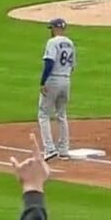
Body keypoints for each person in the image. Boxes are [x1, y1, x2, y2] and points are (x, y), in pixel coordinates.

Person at [38, 18, 76, 161]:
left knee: (43, 114)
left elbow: (49, 62)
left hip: (53, 79)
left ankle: (49, 149)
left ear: (55, 28)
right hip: (66, 80)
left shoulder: (52, 42)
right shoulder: (70, 43)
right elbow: (73, 66)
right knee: (61, 114)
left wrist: (43, 82)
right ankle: (64, 150)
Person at [11, 133, 53, 220]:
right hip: (35, 209)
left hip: (33, 210)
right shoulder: (40, 175)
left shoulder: (34, 212)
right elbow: (38, 159)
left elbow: (38, 158)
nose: (29, 162)